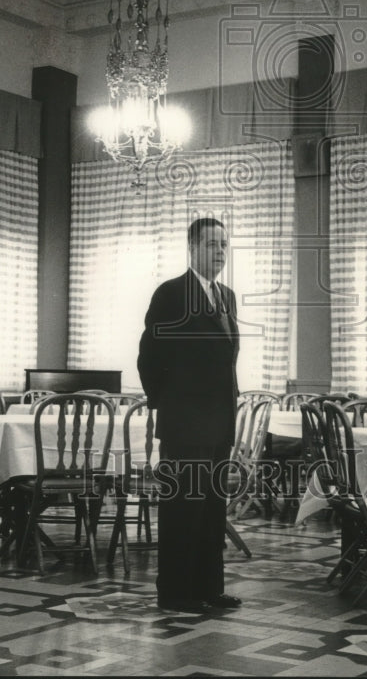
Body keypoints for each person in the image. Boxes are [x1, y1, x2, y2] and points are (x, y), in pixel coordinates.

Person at [137, 216, 242, 614]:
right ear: (192, 247)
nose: (219, 252)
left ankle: (209, 588)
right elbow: (149, 357)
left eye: (224, 245)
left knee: (212, 509)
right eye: (212, 244)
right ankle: (177, 593)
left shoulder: (226, 296)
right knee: (183, 509)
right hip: (185, 423)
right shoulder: (171, 293)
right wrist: (170, 404)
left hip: (220, 423)